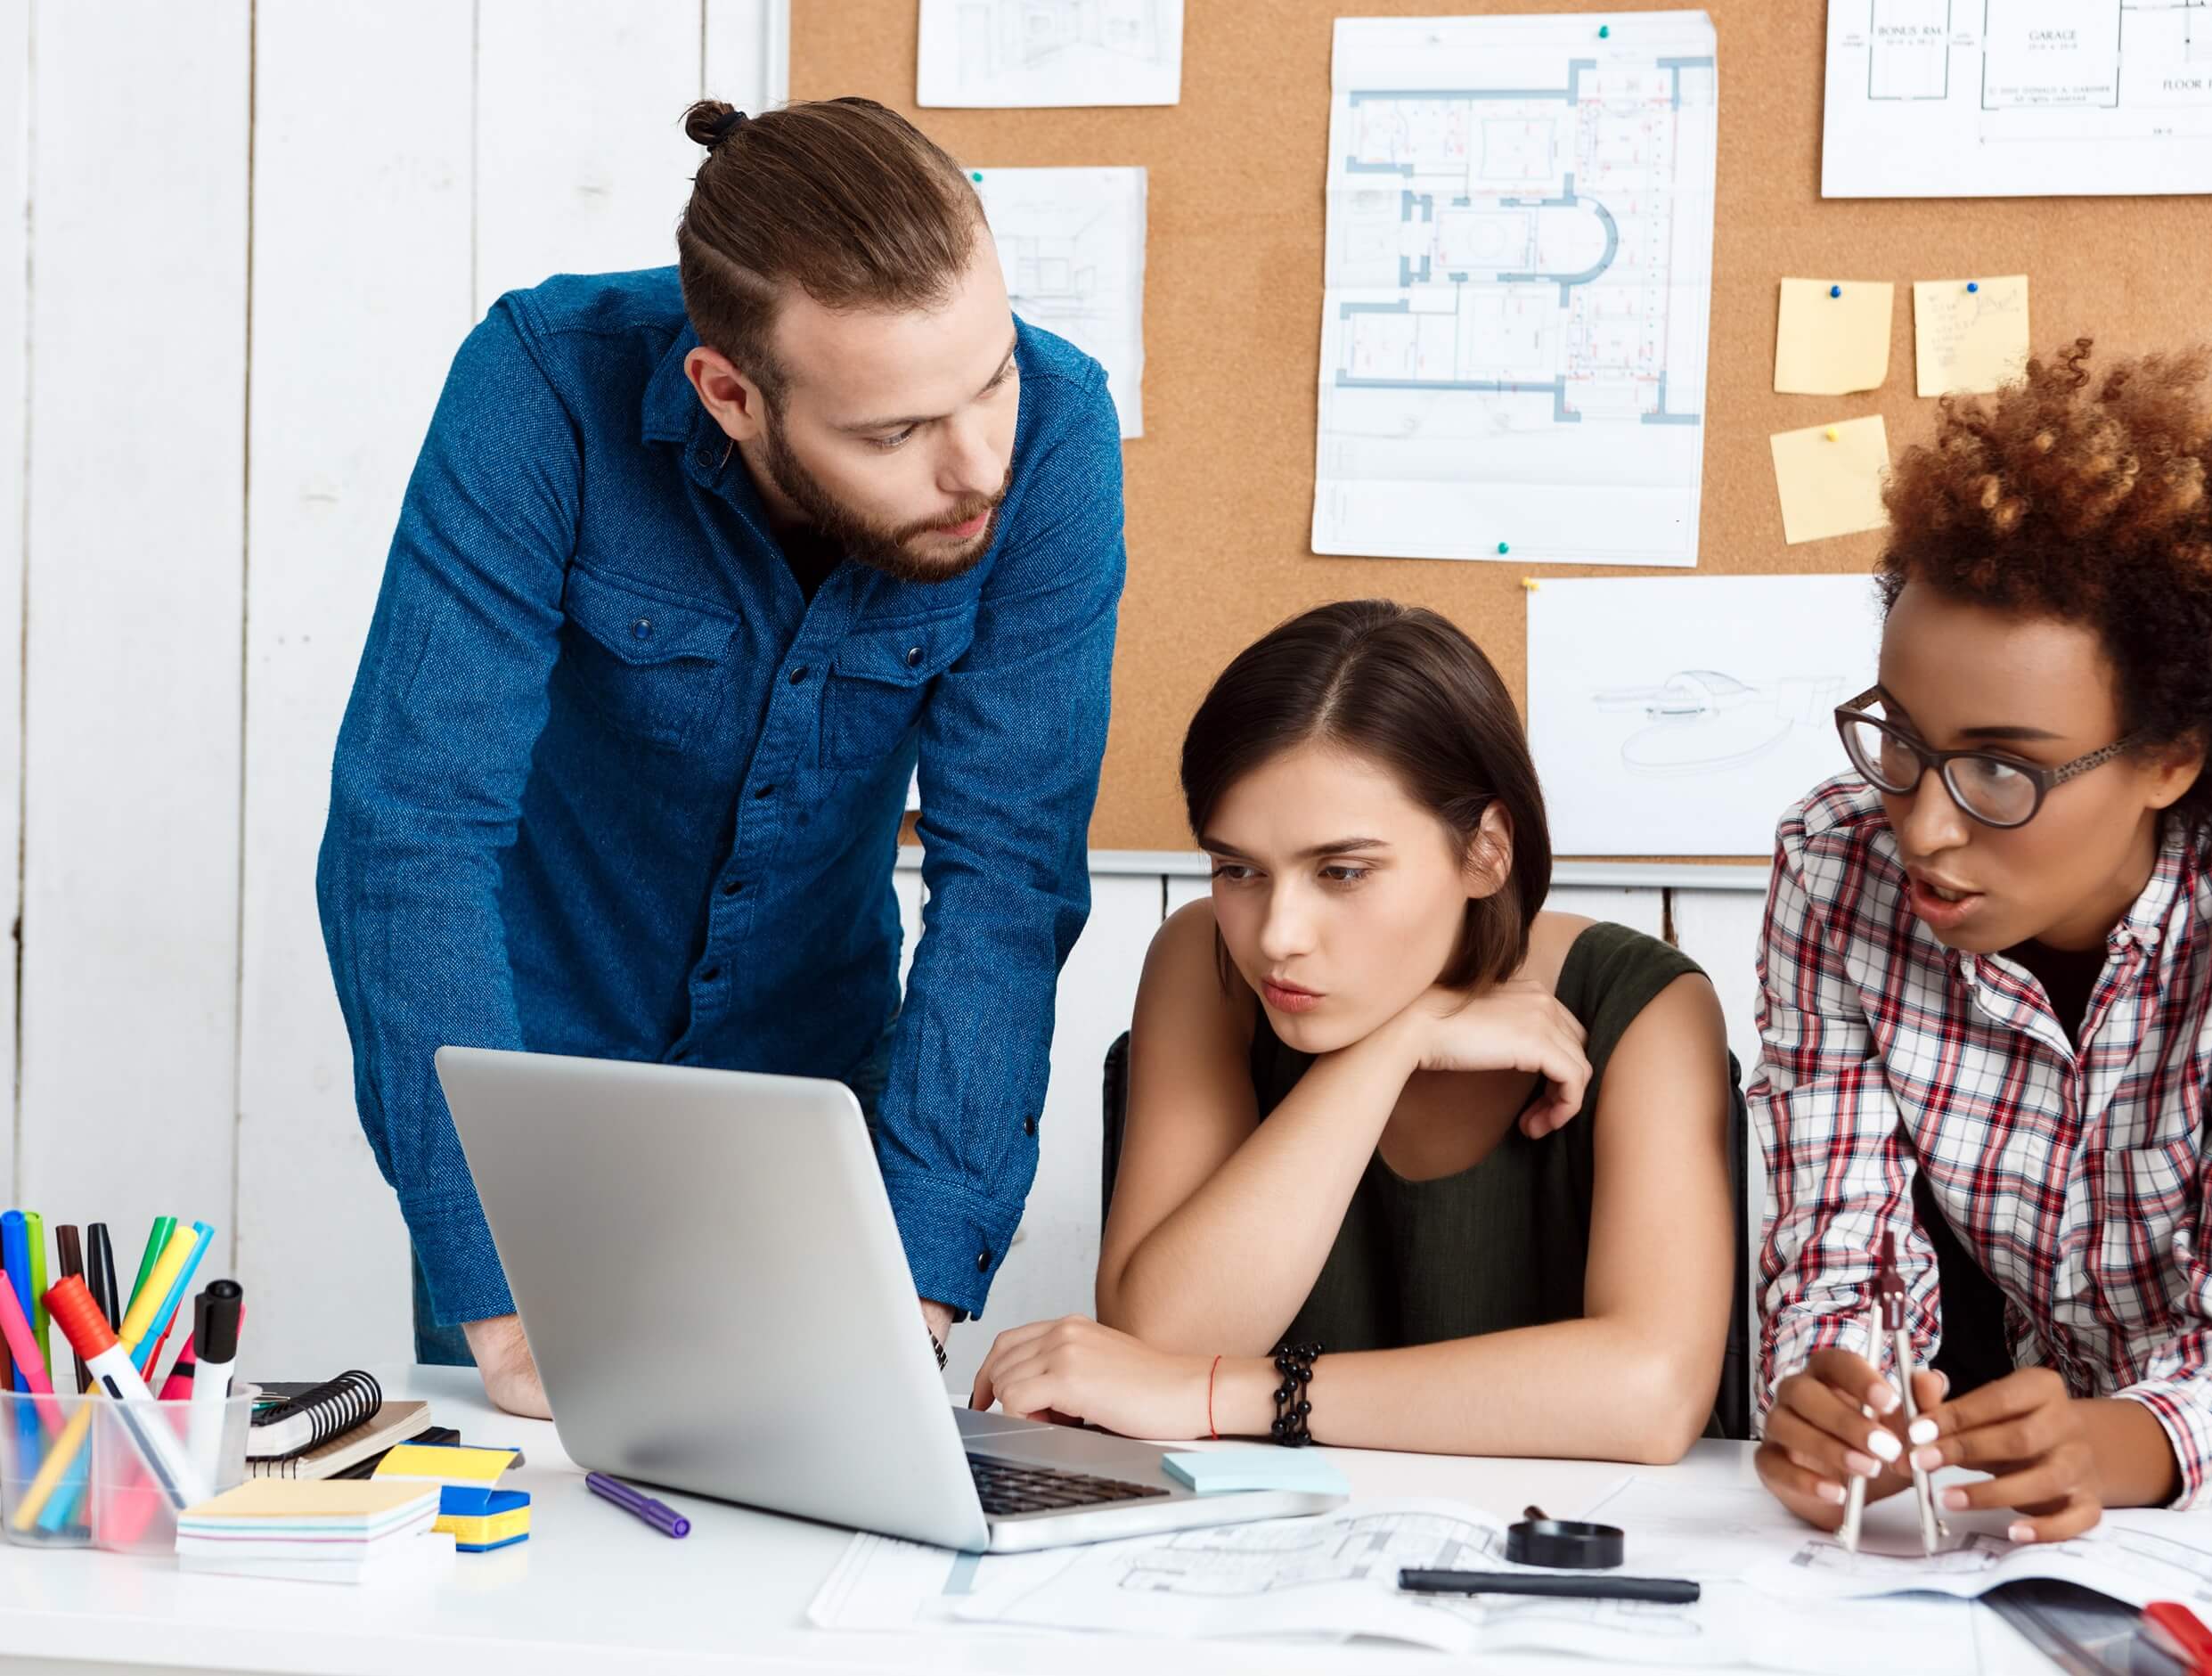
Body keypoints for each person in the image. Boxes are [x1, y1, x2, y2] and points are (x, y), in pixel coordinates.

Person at [316, 97, 1125, 1417]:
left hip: (816, 1107)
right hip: (530, 1101)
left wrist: (913, 1289)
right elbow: (410, 826)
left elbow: (1009, 878)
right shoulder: (541, 386)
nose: (980, 464)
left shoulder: (1056, 437)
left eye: (991, 378)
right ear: (730, 392)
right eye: (894, 433)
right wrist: (500, 1280)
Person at [1751, 340, 2212, 1541]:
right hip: (1965, 1535)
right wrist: (1835, 1404)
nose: (1922, 826)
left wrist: (2120, 1440)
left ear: (2169, 758)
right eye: (1898, 737)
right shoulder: (1833, 863)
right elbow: (1835, 1260)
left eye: (2003, 766)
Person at [968, 601, 1735, 1462]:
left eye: (1341, 871)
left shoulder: (1646, 1006)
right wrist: (1393, 1045)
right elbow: (1165, 1334)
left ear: (1485, 851)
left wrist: (1223, 1394)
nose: (1276, 934)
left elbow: (1650, 1395)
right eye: (1238, 869)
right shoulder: (1207, 961)